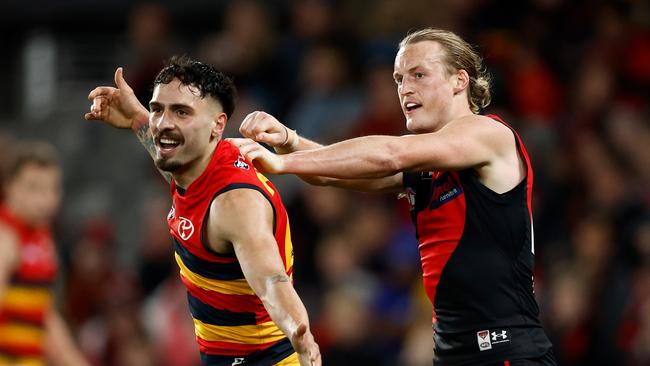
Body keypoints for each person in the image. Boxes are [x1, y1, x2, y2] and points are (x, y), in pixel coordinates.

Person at [233, 28, 556, 365]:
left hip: (505, 351)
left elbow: (391, 153)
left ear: (459, 81)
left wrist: (282, 162)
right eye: (399, 78)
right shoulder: (426, 165)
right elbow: (332, 172)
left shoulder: (489, 133)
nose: (405, 89)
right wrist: (290, 140)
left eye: (419, 74)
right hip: (452, 352)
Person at [84, 56, 320, 366]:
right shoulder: (196, 166)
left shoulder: (235, 202)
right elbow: (171, 158)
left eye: (181, 112)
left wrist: (302, 338)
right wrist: (137, 118)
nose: (164, 123)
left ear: (217, 125)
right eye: (158, 110)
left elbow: (272, 282)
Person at [0, 141, 88, 366]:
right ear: (10, 186)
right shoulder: (5, 238)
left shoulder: (43, 238)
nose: (45, 200)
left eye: (52, 189)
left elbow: (44, 311)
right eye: (34, 188)